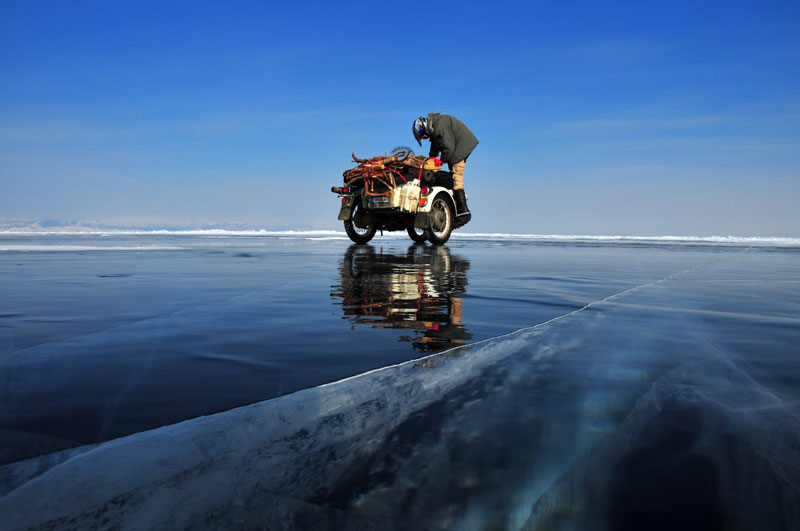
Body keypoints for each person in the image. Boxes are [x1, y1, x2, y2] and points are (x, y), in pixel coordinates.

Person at [412, 111, 478, 218]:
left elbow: (448, 148)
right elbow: (435, 143)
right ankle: (456, 201)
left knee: (457, 173)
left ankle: (463, 209)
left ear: (424, 127)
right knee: (452, 168)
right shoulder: (434, 126)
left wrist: (441, 161)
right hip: (457, 144)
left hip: (462, 145)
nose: (425, 137)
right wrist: (430, 158)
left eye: (424, 136)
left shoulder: (439, 128)